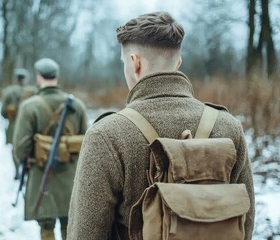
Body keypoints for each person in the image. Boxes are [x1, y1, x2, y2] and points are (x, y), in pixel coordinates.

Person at [67, 12, 255, 240]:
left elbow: (85, 234)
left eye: (124, 63)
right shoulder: (228, 127)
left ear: (135, 63)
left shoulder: (107, 135)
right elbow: (244, 225)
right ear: (177, 64)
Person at [12, 58, 88, 240]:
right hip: (71, 176)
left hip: (41, 175)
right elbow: (87, 144)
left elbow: (20, 149)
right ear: (57, 76)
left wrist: (26, 162)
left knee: (46, 226)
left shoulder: (29, 107)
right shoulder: (77, 105)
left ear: (39, 77)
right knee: (69, 225)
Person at [0, 68, 37, 179]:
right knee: (30, 148)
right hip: (30, 125)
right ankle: (27, 169)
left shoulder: (9, 91)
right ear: (24, 78)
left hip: (13, 124)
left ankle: (17, 170)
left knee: (15, 148)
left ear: (16, 78)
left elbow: (3, 112)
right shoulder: (33, 91)